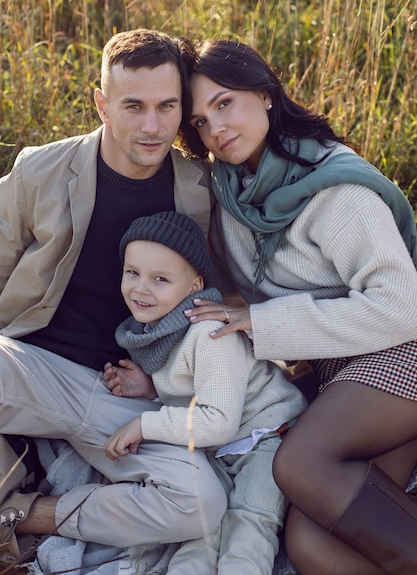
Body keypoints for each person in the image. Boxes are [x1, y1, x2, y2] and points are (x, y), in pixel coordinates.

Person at [178, 38, 417, 575]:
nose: (214, 128)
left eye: (225, 103)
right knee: (310, 545)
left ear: (264, 95)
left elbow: (404, 308)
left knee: (300, 462)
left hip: (403, 353)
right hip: (347, 374)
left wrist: (261, 322)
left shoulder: (333, 188)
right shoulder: (233, 194)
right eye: (199, 120)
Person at [0, 28, 226, 559]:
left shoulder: (202, 189)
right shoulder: (41, 169)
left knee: (201, 502)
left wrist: (165, 378)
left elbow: (224, 300)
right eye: (134, 106)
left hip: (122, 397)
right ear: (102, 104)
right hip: (30, 365)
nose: (152, 127)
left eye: (167, 106)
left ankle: (28, 515)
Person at [102, 210, 307, 574]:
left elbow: (218, 421)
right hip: (218, 449)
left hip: (266, 439)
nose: (141, 288)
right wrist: (150, 388)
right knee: (199, 534)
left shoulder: (208, 332)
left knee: (248, 527)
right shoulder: (159, 331)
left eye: (160, 279)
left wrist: (145, 425)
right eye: (132, 272)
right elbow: (193, 385)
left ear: (194, 287)